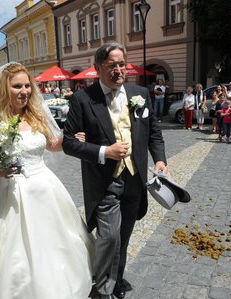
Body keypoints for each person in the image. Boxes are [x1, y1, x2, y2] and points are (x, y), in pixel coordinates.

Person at [0, 62, 94, 299]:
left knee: (53, 243)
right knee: (11, 253)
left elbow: (52, 145)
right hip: (8, 192)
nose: (24, 91)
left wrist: (71, 139)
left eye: (27, 85)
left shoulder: (36, 116)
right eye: (17, 86)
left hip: (44, 188)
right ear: (5, 88)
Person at [62, 42, 169, 299]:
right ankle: (102, 290)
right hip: (105, 181)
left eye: (122, 64)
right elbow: (68, 142)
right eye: (113, 65)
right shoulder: (82, 99)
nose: (119, 70)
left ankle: (116, 279)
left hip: (135, 179)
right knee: (109, 237)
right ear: (98, 68)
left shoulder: (139, 93)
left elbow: (153, 132)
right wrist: (103, 152)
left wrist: (160, 160)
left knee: (124, 236)